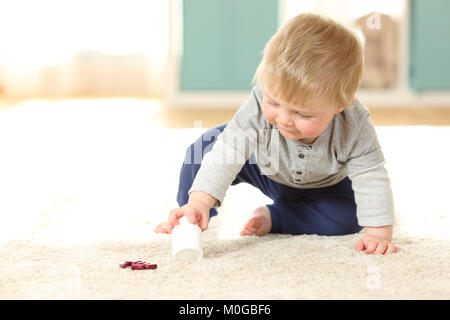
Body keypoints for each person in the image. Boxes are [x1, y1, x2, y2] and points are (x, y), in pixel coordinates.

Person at [155, 13, 399, 255]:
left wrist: (379, 234)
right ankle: (190, 216)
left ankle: (278, 217)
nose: (283, 120)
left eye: (302, 114)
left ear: (340, 105)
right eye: (273, 102)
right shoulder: (259, 102)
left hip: (324, 185)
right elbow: (229, 150)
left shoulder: (354, 125)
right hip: (263, 165)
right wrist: (200, 201)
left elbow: (371, 176)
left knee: (350, 217)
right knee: (204, 150)